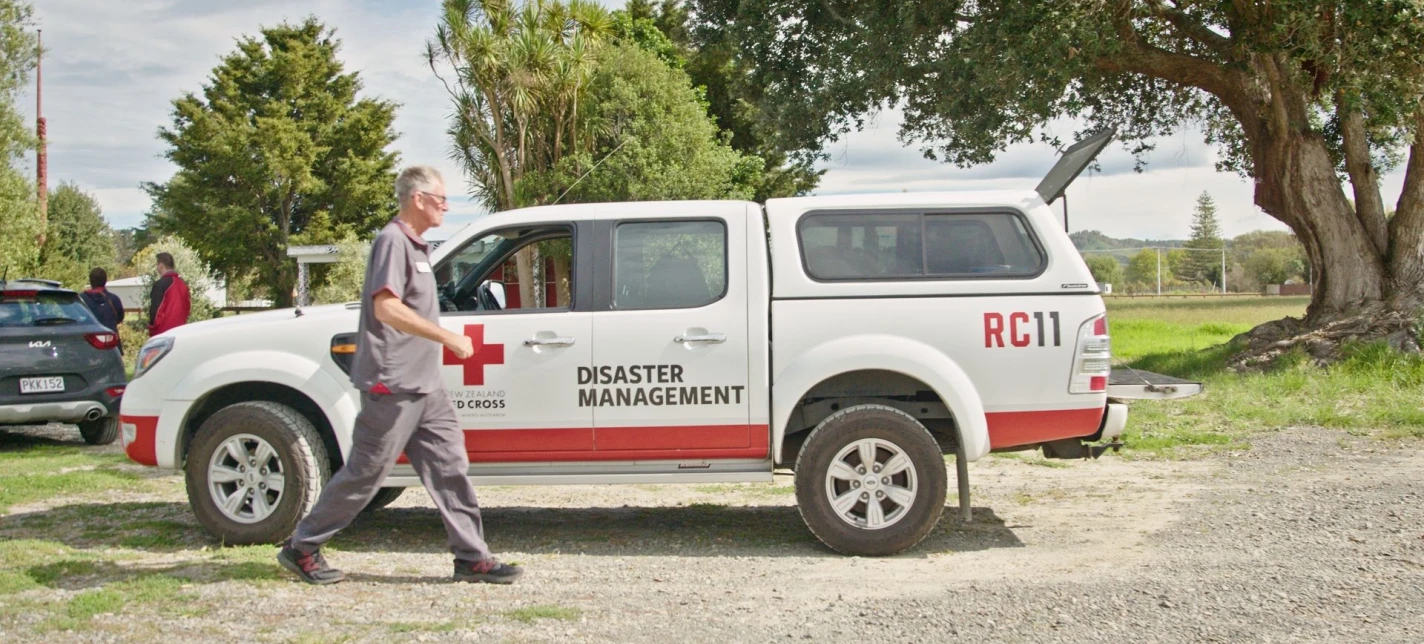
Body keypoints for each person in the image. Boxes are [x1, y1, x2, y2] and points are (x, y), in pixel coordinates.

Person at [277, 166, 522, 586]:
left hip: (425, 384)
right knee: (366, 472)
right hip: (393, 383)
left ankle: (471, 557)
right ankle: (302, 547)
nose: (446, 206)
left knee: (449, 466)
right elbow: (386, 308)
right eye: (441, 199)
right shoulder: (393, 241)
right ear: (419, 199)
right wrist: (446, 337)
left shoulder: (418, 247)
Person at [147, 252, 191, 336]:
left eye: (157, 264)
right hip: (180, 330)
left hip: (163, 331)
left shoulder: (160, 284)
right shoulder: (183, 284)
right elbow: (187, 308)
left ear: (161, 265)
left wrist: (152, 328)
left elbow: (155, 310)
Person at [81, 268, 126, 346]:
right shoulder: (114, 299)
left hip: (87, 343)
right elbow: (119, 318)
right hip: (110, 342)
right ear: (105, 281)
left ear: (91, 281)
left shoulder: (81, 300)